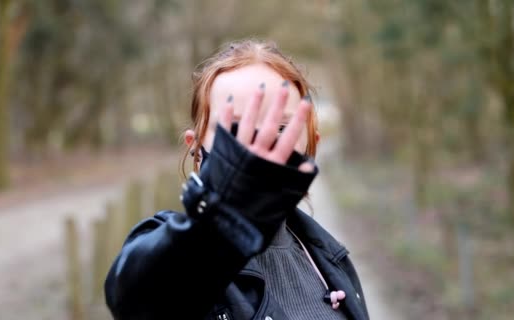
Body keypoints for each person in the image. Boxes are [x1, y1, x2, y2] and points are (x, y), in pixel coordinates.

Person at [104, 39, 370, 320]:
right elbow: (137, 300)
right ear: (195, 147)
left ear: (310, 146)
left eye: (280, 126)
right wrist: (223, 221)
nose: (259, 143)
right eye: (236, 128)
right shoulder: (179, 254)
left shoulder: (329, 260)